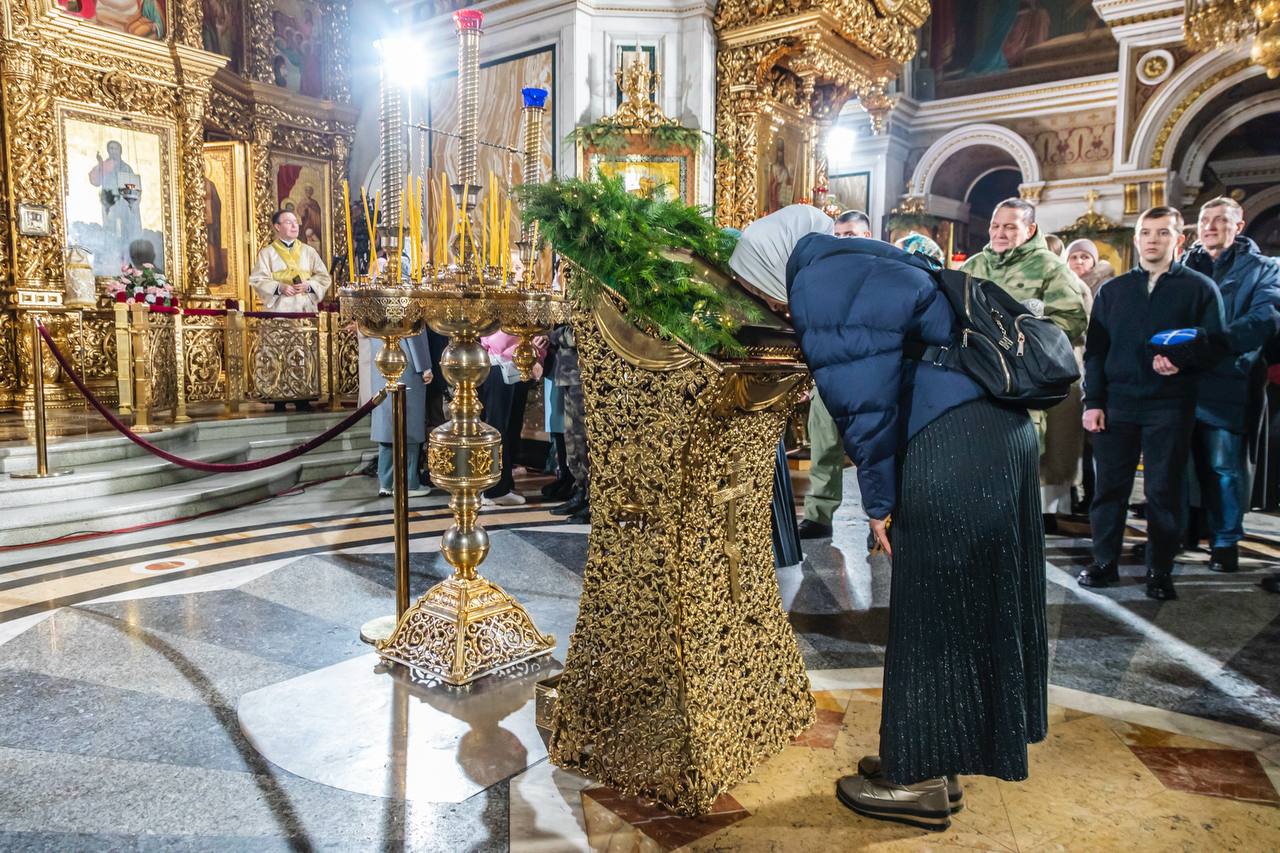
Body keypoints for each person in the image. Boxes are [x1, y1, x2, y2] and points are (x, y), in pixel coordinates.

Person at [731, 206, 1047, 832]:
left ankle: (918, 784)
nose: (763, 301)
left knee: (932, 608)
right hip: (993, 431)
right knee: (965, 604)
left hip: (952, 439)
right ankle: (936, 756)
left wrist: (881, 505)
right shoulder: (859, 261)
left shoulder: (819, 285)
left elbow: (865, 405)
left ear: (772, 260)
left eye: (753, 285)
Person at [1077, 207, 1224, 601]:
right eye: (1146, 232)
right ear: (1137, 238)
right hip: (1117, 404)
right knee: (1109, 490)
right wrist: (1093, 402)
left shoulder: (1199, 289)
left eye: (1162, 233)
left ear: (1177, 239)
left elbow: (1215, 348)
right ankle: (1104, 563)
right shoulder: (1113, 291)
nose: (1152, 240)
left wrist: (1182, 361)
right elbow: (1095, 352)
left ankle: (1160, 569)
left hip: (1170, 406)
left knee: (1163, 492)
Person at [963, 199, 1090, 529]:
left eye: (1010, 226)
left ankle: (1036, 517)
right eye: (995, 225)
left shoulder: (1050, 267)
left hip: (1030, 376)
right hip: (981, 375)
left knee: (1034, 450)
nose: (1000, 233)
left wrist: (1029, 333)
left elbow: (1073, 319)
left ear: (1030, 229)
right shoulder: (975, 264)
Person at [1181, 197, 1280, 576]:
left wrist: (1210, 344)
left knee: (1224, 465)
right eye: (1205, 219)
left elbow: (1264, 318)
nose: (1209, 226)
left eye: (1220, 220)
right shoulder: (1186, 264)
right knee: (1178, 463)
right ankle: (1182, 534)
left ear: (1238, 227)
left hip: (1228, 378)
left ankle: (1225, 542)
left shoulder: (1261, 269)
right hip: (1183, 380)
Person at [798, 209, 874, 540]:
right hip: (827, 374)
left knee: (874, 450)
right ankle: (818, 515)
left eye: (851, 234)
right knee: (824, 447)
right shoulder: (820, 274)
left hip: (869, 376)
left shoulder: (882, 270)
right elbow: (807, 327)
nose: (843, 240)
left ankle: (880, 519)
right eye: (839, 235)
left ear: (867, 237)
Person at [249, 209, 332, 412]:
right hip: (279, 311)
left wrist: (309, 285)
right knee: (279, 353)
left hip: (304, 310)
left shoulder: (309, 252)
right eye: (288, 222)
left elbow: (324, 278)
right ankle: (278, 395)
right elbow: (257, 279)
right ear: (277, 227)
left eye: (296, 222)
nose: (295, 226)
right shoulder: (267, 253)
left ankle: (304, 394)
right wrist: (279, 287)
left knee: (303, 353)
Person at [368, 331, 434, 499]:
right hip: (405, 362)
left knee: (387, 424)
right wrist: (424, 366)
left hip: (381, 361)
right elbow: (414, 332)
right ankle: (409, 482)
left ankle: (386, 482)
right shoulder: (407, 302)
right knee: (409, 424)